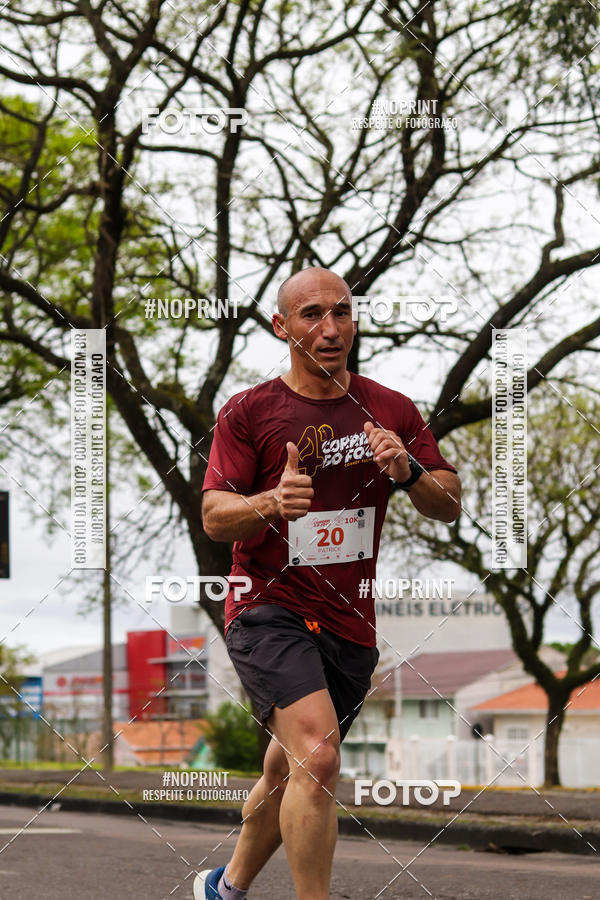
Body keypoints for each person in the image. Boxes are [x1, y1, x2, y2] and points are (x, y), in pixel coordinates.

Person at [196, 267, 461, 900]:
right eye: (312, 314)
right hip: (267, 606)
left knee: (291, 768)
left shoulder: (390, 409)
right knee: (318, 758)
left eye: (342, 312)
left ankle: (224, 887)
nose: (331, 327)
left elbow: (448, 501)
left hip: (350, 621)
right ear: (281, 327)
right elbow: (212, 516)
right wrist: (270, 501)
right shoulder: (249, 412)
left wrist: (407, 470)